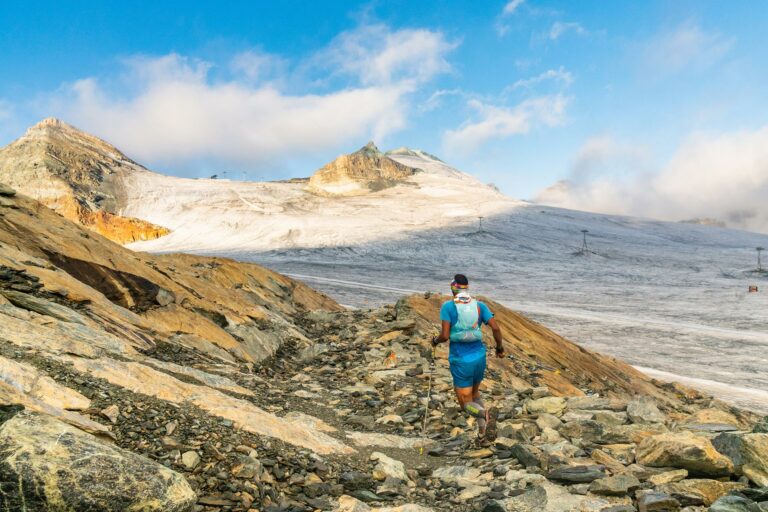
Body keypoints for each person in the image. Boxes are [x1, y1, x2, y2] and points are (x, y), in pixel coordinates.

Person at [432, 274, 505, 441]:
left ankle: (484, 414)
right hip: (479, 356)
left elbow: (444, 335)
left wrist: (435, 341)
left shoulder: (448, 307)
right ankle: (482, 433)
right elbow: (496, 328)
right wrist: (499, 348)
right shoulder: (480, 306)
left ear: (453, 288)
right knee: (475, 393)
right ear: (467, 288)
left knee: (465, 404)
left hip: (461, 358)